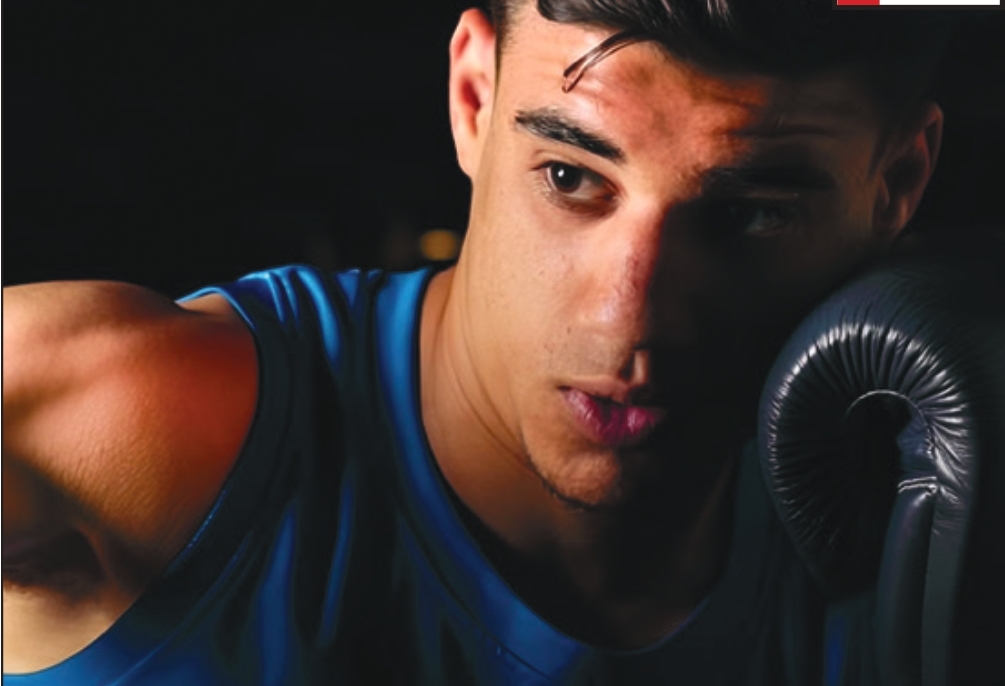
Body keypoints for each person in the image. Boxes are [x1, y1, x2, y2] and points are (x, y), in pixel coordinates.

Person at [2, 1, 949, 683]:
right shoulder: (135, 413)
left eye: (750, 215)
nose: (630, 321)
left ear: (897, 184)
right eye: (570, 177)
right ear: (473, 95)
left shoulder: (924, 541)